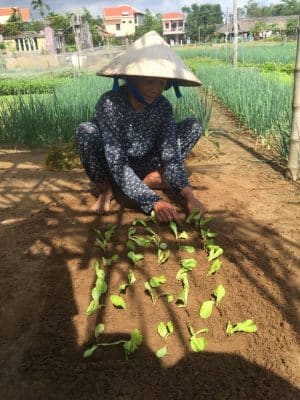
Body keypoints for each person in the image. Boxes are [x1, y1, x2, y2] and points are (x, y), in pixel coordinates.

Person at [76, 31, 206, 223]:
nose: (156, 88)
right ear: (132, 78)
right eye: (149, 81)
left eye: (162, 83)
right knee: (85, 131)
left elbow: (170, 154)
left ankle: (148, 179)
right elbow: (117, 161)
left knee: (193, 126)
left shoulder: (162, 107)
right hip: (113, 165)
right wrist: (154, 201)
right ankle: (107, 189)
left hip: (146, 160)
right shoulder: (110, 103)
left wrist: (190, 196)